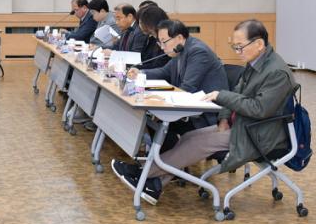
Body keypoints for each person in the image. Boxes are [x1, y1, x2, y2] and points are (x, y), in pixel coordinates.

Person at [112, 19, 296, 205]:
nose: (237, 52)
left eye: (240, 47)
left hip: (261, 133)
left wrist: (221, 96)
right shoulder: (255, 62)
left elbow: (259, 109)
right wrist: (224, 118)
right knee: (188, 138)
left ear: (259, 44)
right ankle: (155, 183)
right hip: (243, 124)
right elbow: (235, 93)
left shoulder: (276, 72)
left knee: (196, 144)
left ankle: (143, 173)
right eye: (235, 47)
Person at [128, 19, 229, 150]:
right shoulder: (181, 50)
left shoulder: (198, 51)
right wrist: (140, 73)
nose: (162, 47)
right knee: (153, 120)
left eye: (164, 42)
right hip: (190, 109)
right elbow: (164, 71)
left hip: (204, 115)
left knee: (159, 122)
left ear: (179, 38)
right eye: (160, 43)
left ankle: (167, 160)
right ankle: (163, 159)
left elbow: (187, 88)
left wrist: (160, 97)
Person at [136, 5, 170, 69]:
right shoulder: (152, 38)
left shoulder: (167, 38)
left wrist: (136, 68)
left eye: (141, 22)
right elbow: (146, 60)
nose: (140, 26)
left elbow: (159, 65)